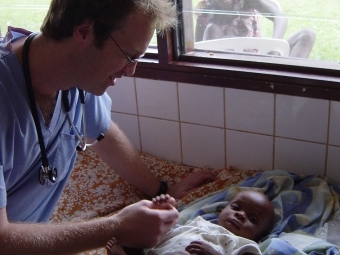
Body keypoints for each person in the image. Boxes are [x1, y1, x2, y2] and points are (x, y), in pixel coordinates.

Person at [0, 0, 217, 254]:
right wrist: (116, 227)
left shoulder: (79, 78)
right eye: (128, 56)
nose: (131, 70)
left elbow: (104, 134)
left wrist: (161, 190)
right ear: (83, 32)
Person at [106, 190, 275, 255]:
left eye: (252, 219)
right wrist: (162, 214)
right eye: (236, 207)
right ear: (222, 210)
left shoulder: (244, 245)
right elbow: (166, 235)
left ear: (259, 235)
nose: (240, 215)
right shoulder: (197, 223)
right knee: (137, 241)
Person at [195, 0, 316, 58]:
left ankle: (288, 85)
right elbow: (198, 48)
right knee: (212, 30)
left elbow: (279, 17)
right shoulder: (205, 9)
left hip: (262, 58)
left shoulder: (246, 1)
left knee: (307, 35)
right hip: (232, 68)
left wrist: (274, 44)